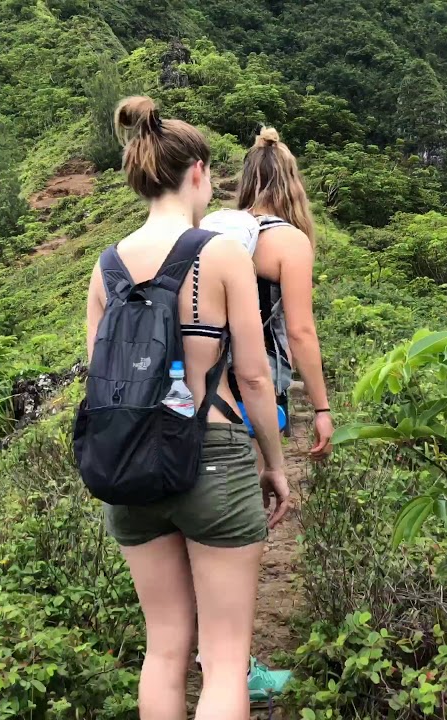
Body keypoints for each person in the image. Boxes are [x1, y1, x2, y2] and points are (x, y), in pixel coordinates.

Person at [86, 96, 292, 719]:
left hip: (130, 467)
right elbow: (254, 378)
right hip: (214, 452)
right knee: (226, 659)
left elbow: (101, 380)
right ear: (198, 171)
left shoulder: (105, 269)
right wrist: (275, 464)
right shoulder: (224, 254)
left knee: (164, 650)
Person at [235, 127, 335, 460]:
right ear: (290, 182)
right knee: (255, 489)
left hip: (205, 379)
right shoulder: (289, 241)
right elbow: (300, 332)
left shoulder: (220, 231)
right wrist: (321, 410)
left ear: (248, 179)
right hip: (258, 381)